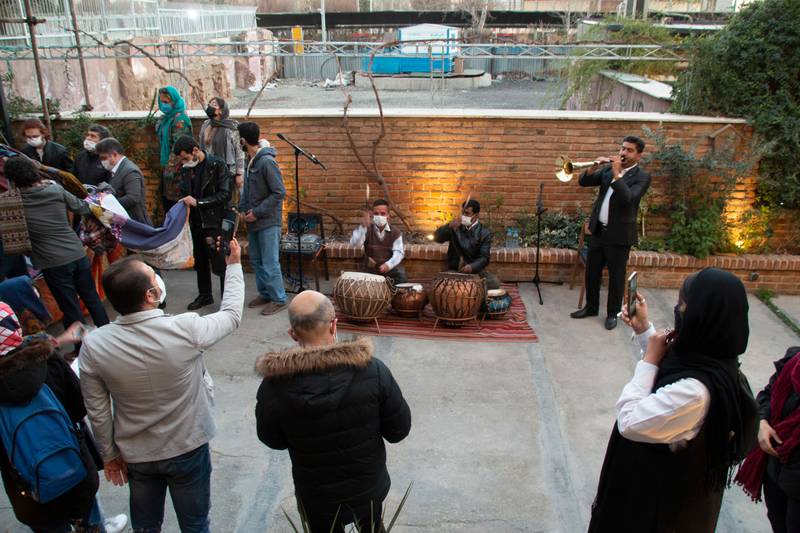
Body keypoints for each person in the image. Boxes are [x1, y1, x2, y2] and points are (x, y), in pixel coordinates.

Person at [79, 239, 244, 533]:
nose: (159, 279)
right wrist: (233, 265)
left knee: (145, 525)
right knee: (195, 524)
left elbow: (98, 410)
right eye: (154, 277)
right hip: (188, 445)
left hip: (137, 453)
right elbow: (231, 315)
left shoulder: (95, 345)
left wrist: (109, 454)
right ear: (151, 294)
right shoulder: (185, 328)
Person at [589, 268, 757, 533]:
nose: (678, 311)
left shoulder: (695, 393)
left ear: (703, 318)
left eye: (683, 306)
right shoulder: (715, 360)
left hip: (658, 514)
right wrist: (645, 331)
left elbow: (631, 421)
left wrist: (649, 361)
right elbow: (674, 370)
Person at [255, 290, 411, 532]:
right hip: (368, 489)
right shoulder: (373, 370)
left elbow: (272, 439)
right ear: (334, 325)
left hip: (316, 496)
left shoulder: (274, 385)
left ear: (293, 334)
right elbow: (398, 430)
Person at [0, 302, 129, 533]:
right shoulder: (46, 358)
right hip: (74, 468)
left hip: (28, 490)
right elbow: (80, 407)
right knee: (88, 518)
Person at [6, 157, 109, 329]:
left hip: (52, 263)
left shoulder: (10, 202)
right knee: (92, 298)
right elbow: (83, 207)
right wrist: (102, 199)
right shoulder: (55, 191)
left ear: (12, 179)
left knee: (70, 307)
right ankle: (108, 337)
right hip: (77, 253)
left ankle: (81, 349)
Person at [570, 136, 651, 330]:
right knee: (592, 271)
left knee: (616, 277)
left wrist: (617, 174)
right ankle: (591, 307)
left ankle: (613, 313)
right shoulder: (607, 170)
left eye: (629, 150)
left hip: (620, 236)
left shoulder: (642, 177)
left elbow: (628, 199)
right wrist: (593, 167)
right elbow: (584, 182)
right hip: (599, 231)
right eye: (623, 149)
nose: (623, 153)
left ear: (639, 154)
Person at [735, 345, 800, 533]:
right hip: (776, 472)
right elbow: (768, 394)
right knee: (778, 522)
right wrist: (762, 423)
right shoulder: (794, 360)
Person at [174, 135, 233, 310]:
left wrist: (199, 202)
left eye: (185, 158)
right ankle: (205, 295)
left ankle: (227, 300)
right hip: (195, 221)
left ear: (195, 150)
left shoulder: (217, 164)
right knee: (200, 261)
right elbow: (184, 192)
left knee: (220, 261)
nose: (184, 162)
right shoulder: (186, 169)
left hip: (215, 220)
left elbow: (225, 194)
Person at [238, 121, 287, 316]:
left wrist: (257, 212)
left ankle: (279, 298)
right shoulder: (249, 161)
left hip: (267, 221)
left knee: (269, 261)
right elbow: (247, 190)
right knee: (257, 260)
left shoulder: (266, 162)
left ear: (243, 139)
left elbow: (279, 193)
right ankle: (265, 293)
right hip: (253, 222)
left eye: (237, 138)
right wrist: (243, 209)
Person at [433, 198, 499, 290]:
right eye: (463, 213)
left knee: (494, 282)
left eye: (467, 214)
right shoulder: (455, 227)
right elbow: (437, 238)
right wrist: (448, 227)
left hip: (475, 272)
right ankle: (468, 287)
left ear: (476, 215)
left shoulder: (484, 233)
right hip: (456, 270)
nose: (463, 216)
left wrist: (472, 266)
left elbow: (484, 257)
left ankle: (469, 286)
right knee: (441, 284)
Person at [95, 138, 152, 226]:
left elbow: (133, 197)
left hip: (135, 224)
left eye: (104, 158)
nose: (102, 162)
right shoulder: (115, 170)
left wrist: (108, 205)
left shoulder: (130, 171)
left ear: (114, 154)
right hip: (125, 223)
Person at [350, 199, 407, 284]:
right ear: (372, 215)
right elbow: (354, 243)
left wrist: (388, 265)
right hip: (370, 271)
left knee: (402, 279)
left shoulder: (396, 232)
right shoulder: (367, 229)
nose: (379, 216)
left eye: (383, 214)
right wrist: (363, 227)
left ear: (388, 215)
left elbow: (399, 253)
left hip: (388, 272)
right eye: (376, 214)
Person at [155, 86, 193, 213]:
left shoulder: (180, 121)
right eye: (162, 102)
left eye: (167, 102)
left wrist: (169, 170)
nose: (164, 105)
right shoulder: (167, 119)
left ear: (174, 101)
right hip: (168, 170)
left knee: (176, 207)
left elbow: (180, 149)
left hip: (177, 172)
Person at [198, 97, 244, 195]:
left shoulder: (231, 128)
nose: (209, 106)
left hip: (226, 171)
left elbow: (239, 152)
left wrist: (239, 174)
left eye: (214, 104)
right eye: (209, 104)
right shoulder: (206, 125)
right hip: (208, 170)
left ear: (221, 111)